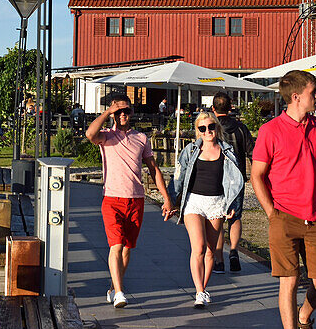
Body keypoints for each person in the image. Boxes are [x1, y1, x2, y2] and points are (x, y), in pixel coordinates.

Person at [251, 70, 316, 329]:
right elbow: (257, 175)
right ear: (296, 96)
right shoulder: (270, 131)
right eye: (314, 92)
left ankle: (305, 317)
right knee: (288, 281)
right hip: (284, 217)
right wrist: (271, 213)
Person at [85, 94, 174, 309]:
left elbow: (153, 169)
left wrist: (166, 198)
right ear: (113, 115)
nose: (123, 115)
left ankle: (115, 287)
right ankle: (119, 293)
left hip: (136, 199)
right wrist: (108, 111)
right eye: (119, 112)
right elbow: (90, 134)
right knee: (116, 246)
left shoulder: (141, 138)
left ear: (132, 113)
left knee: (126, 249)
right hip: (112, 199)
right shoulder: (105, 136)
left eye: (126, 111)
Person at [171, 111, 244, 308]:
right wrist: (171, 202)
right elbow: (178, 177)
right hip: (194, 202)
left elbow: (236, 183)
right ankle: (199, 291)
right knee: (199, 247)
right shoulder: (191, 150)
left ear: (217, 128)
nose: (207, 131)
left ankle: (202, 289)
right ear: (198, 131)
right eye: (202, 128)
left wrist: (232, 207)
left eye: (211, 127)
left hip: (217, 203)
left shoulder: (227, 152)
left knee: (211, 251)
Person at [211, 91, 252, 273]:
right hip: (237, 179)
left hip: (215, 178)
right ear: (231, 107)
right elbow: (253, 153)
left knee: (218, 217)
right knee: (235, 217)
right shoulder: (241, 128)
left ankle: (219, 260)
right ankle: (234, 251)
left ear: (213, 108)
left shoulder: (209, 128)